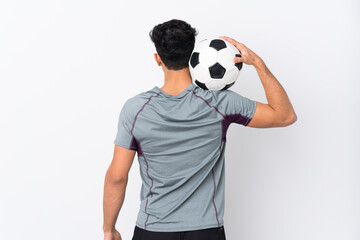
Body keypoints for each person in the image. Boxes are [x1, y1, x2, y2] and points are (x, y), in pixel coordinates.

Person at [103, 19, 297, 240]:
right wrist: (258, 64)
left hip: (153, 230)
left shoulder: (135, 109)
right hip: (205, 231)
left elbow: (117, 177)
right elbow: (285, 115)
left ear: (158, 59)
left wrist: (109, 229)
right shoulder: (220, 103)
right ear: (193, 55)